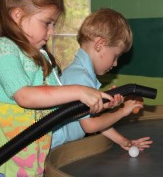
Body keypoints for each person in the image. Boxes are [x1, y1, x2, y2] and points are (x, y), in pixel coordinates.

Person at [0, 0, 114, 177]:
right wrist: (79, 90)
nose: (51, 32)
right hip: (0, 166)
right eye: (47, 23)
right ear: (17, 16)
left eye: (54, 24)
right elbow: (24, 96)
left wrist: (96, 103)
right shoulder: (1, 48)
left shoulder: (42, 57)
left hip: (32, 166)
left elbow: (59, 111)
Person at [51, 8, 153, 152]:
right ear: (99, 45)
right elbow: (90, 125)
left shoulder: (81, 74)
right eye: (115, 56)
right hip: (51, 149)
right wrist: (123, 111)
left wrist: (123, 141)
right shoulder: (81, 77)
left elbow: (92, 118)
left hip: (60, 147)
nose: (116, 63)